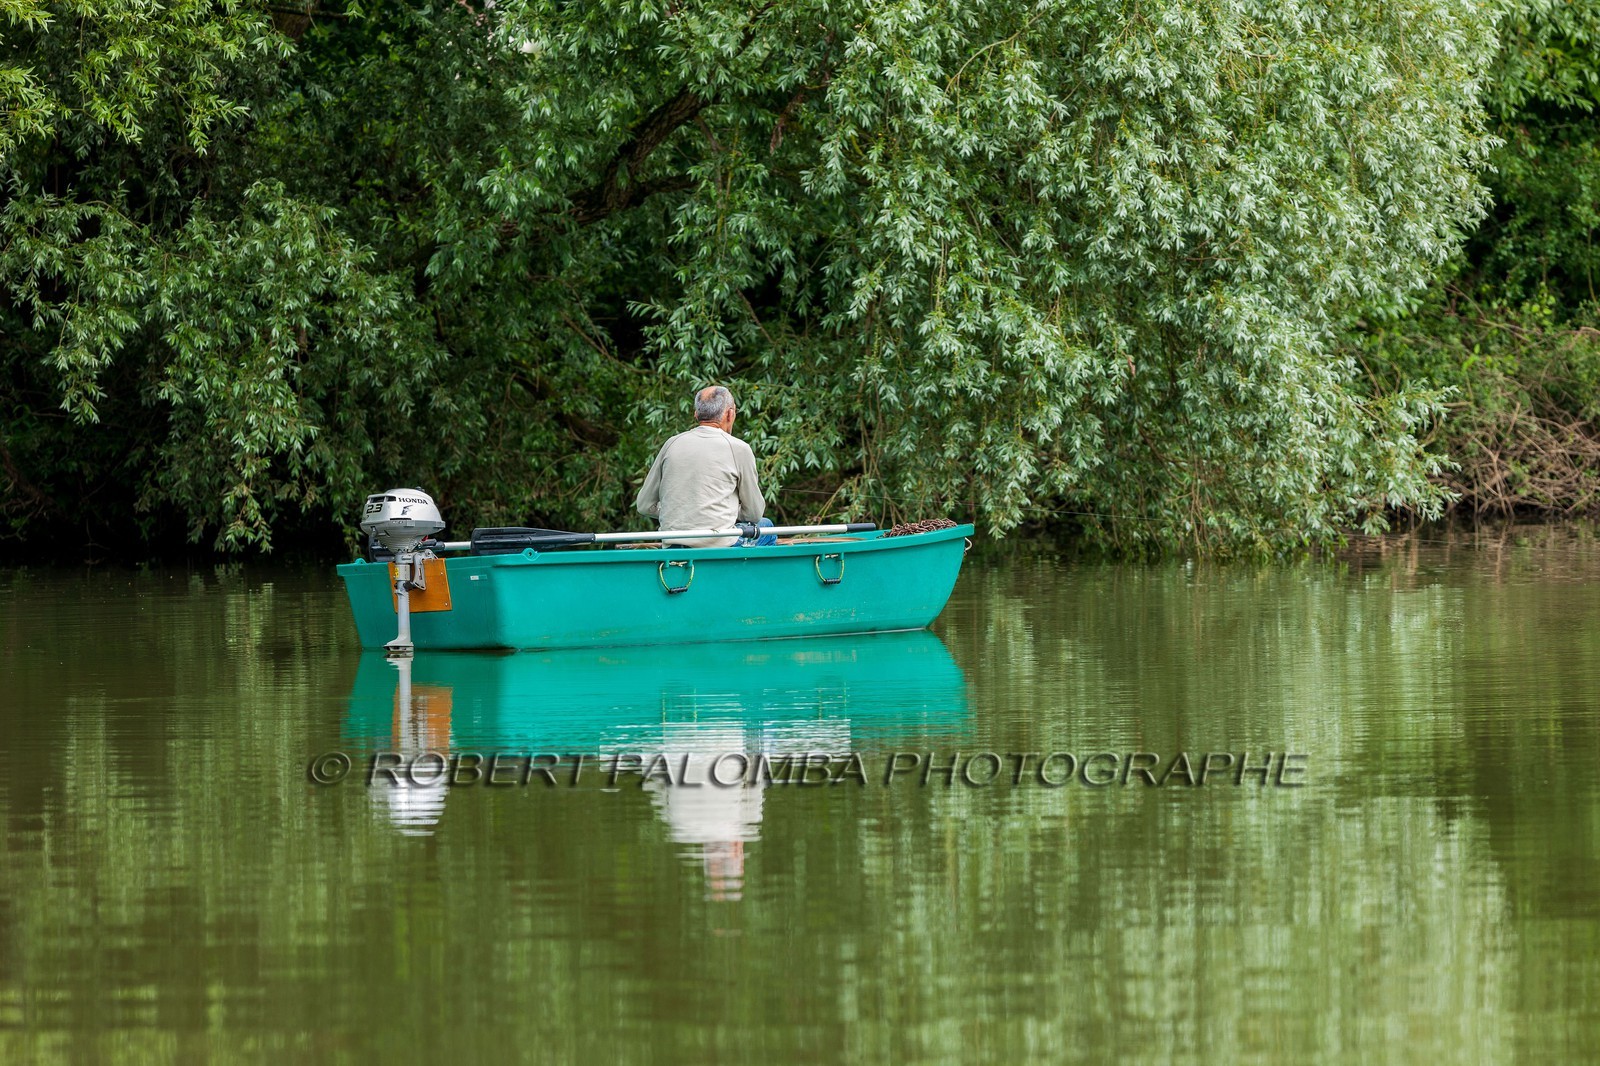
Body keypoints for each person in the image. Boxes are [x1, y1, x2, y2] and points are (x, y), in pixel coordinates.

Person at [635, 385, 776, 547]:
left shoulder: (672, 443)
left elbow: (644, 505)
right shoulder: (739, 448)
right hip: (718, 544)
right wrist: (723, 511)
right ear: (730, 414)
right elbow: (754, 513)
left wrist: (685, 510)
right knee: (766, 526)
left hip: (674, 545)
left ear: (696, 414)